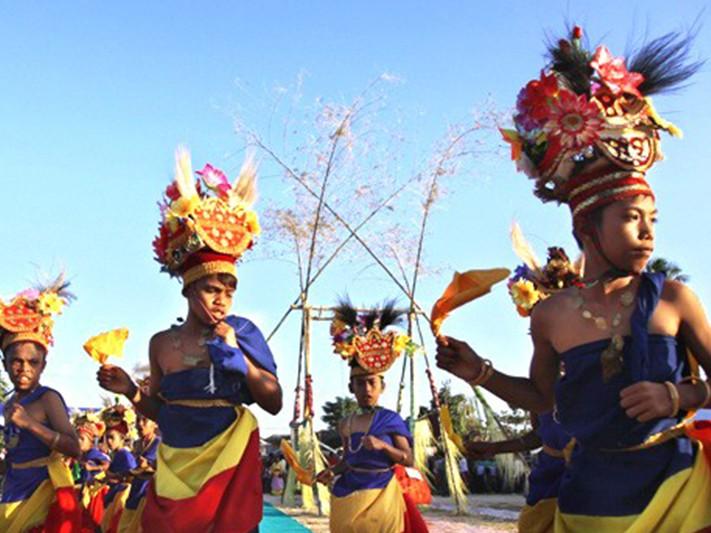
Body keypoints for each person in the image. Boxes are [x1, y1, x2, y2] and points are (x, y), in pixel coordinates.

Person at [437, 26, 711, 531]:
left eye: (653, 219)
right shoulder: (552, 314)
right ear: (586, 224)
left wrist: (679, 398)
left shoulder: (675, 299)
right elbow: (544, 400)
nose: (648, 232)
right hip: (587, 499)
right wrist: (479, 373)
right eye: (632, 218)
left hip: (676, 495)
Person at [97, 148, 282, 532]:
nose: (221, 301)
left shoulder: (242, 332)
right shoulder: (161, 344)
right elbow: (164, 412)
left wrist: (239, 362)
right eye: (212, 290)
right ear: (187, 289)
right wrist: (130, 390)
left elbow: (275, 402)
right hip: (175, 466)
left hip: (228, 461)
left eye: (228, 292)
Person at [316, 300, 429, 533]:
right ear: (351, 388)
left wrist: (383, 447)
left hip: (382, 495)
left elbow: (408, 459)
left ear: (381, 387)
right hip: (347, 495)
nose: (366, 389)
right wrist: (333, 472)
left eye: (371, 383)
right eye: (360, 384)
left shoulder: (390, 420)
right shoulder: (346, 423)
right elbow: (349, 460)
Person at [0, 277, 82, 531]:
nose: (24, 369)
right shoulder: (8, 402)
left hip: (41, 492)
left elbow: (73, 448)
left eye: (32, 362)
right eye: (16, 361)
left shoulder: (48, 398)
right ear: (4, 364)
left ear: (43, 365)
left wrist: (30, 424)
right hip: (11, 491)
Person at [117, 412, 160, 532]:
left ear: (155, 424)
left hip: (149, 491)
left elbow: (165, 469)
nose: (140, 424)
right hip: (135, 489)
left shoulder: (161, 444)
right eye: (138, 420)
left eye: (145, 420)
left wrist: (149, 467)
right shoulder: (137, 444)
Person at [100, 404, 138, 533]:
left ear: (122, 438)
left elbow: (131, 477)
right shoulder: (118, 455)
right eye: (107, 437)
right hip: (114, 497)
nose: (109, 441)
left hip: (119, 500)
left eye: (112, 437)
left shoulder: (124, 455)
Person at [74, 412, 111, 531]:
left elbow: (107, 465)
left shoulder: (94, 453)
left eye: (82, 439)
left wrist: (93, 468)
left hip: (94, 496)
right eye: (77, 439)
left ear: (90, 441)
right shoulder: (82, 455)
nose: (79, 442)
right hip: (83, 493)